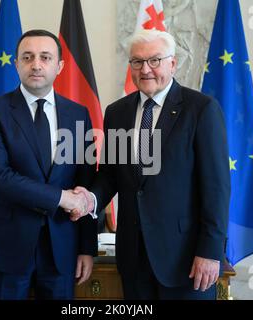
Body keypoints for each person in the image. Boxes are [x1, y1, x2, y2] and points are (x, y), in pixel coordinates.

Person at [74, 29, 230, 299]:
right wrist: (89, 198)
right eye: (137, 61)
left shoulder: (201, 109)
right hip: (133, 257)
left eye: (155, 60)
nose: (145, 69)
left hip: (186, 259)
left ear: (172, 63)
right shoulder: (117, 112)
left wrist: (210, 251)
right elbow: (111, 174)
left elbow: (217, 188)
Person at [0, 29, 97, 300]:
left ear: (59, 66)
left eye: (45, 57)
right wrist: (61, 198)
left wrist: (87, 247)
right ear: (16, 64)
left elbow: (85, 183)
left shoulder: (78, 114)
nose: (36, 64)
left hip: (62, 247)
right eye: (27, 57)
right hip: (6, 245)